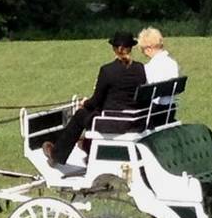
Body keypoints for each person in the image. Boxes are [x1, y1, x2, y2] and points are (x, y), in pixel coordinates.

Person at [43, 31, 146, 166]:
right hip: (133, 120)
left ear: (114, 49)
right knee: (88, 113)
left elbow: (96, 101)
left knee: (81, 115)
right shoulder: (140, 68)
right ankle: (86, 147)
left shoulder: (107, 70)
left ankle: (57, 155)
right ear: (130, 48)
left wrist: (85, 102)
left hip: (114, 121)